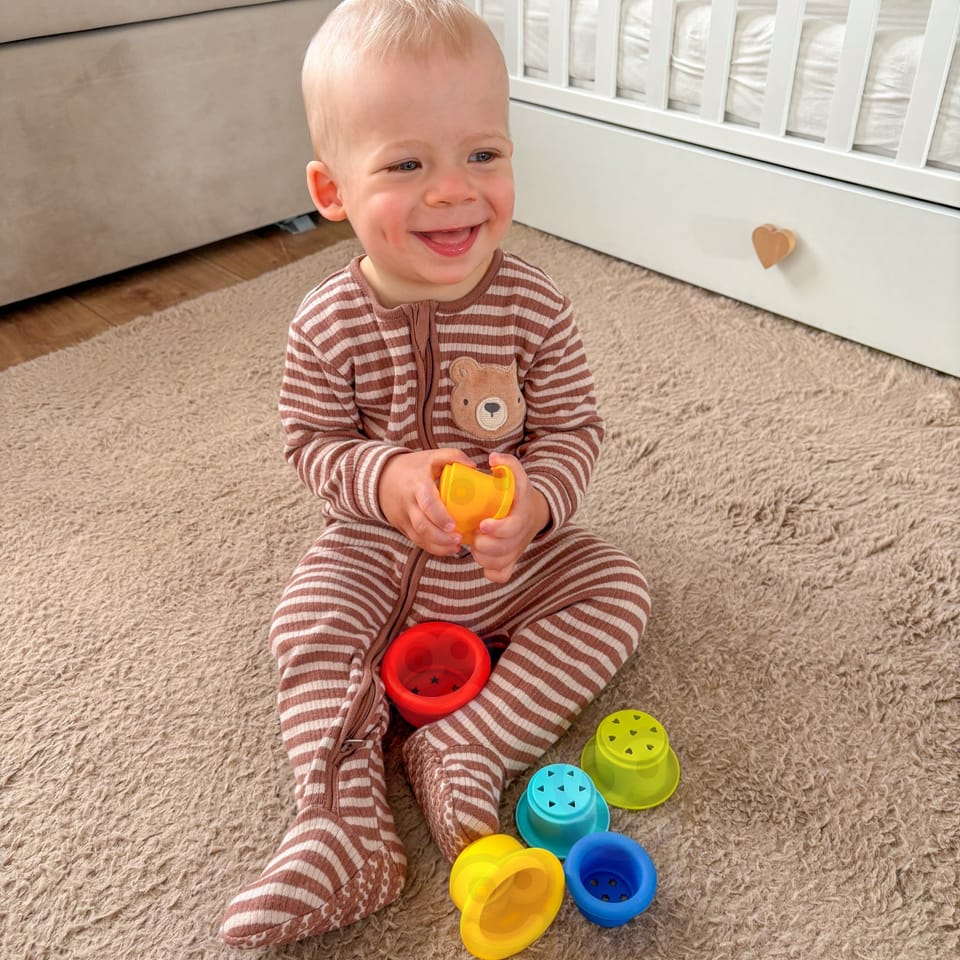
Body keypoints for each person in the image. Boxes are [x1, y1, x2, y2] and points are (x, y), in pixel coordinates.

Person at [219, 0, 650, 948]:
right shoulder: (325, 323)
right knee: (305, 622)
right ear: (332, 190)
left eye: (482, 154)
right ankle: (343, 823)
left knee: (618, 587)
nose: (454, 192)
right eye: (407, 165)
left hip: (505, 561)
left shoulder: (535, 306)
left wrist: (536, 503)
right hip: (375, 549)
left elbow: (574, 428)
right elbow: (310, 442)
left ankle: (464, 750)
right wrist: (385, 478)